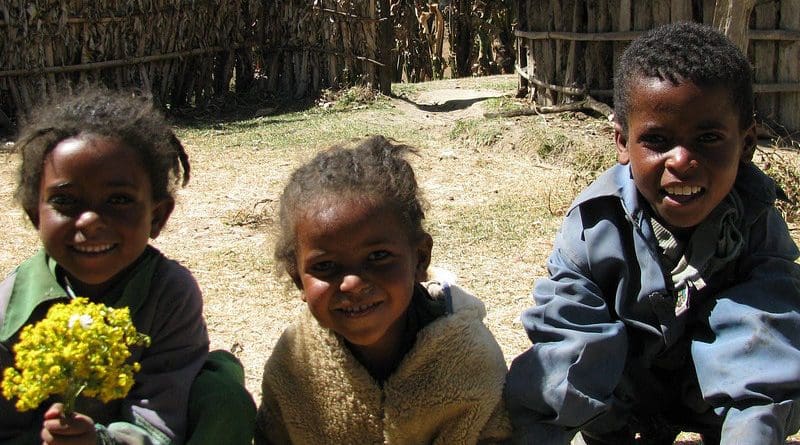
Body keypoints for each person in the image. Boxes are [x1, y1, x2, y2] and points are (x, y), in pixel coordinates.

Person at [505, 21, 800, 445]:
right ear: (622, 142)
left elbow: (763, 355)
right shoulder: (593, 226)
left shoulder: (756, 223)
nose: (682, 160)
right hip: (619, 399)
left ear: (747, 142)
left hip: (715, 396)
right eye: (657, 140)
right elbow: (566, 356)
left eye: (709, 138)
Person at [0, 88, 255, 444]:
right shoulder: (12, 304)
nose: (89, 221)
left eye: (118, 200)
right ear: (34, 216)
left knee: (221, 393)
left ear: (157, 217)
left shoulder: (169, 293)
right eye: (64, 201)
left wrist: (100, 441)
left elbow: (160, 421)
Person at [255, 135, 511, 444]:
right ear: (298, 279)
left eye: (377, 257)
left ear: (420, 260)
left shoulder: (470, 360)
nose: (352, 284)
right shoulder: (293, 365)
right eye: (325, 267)